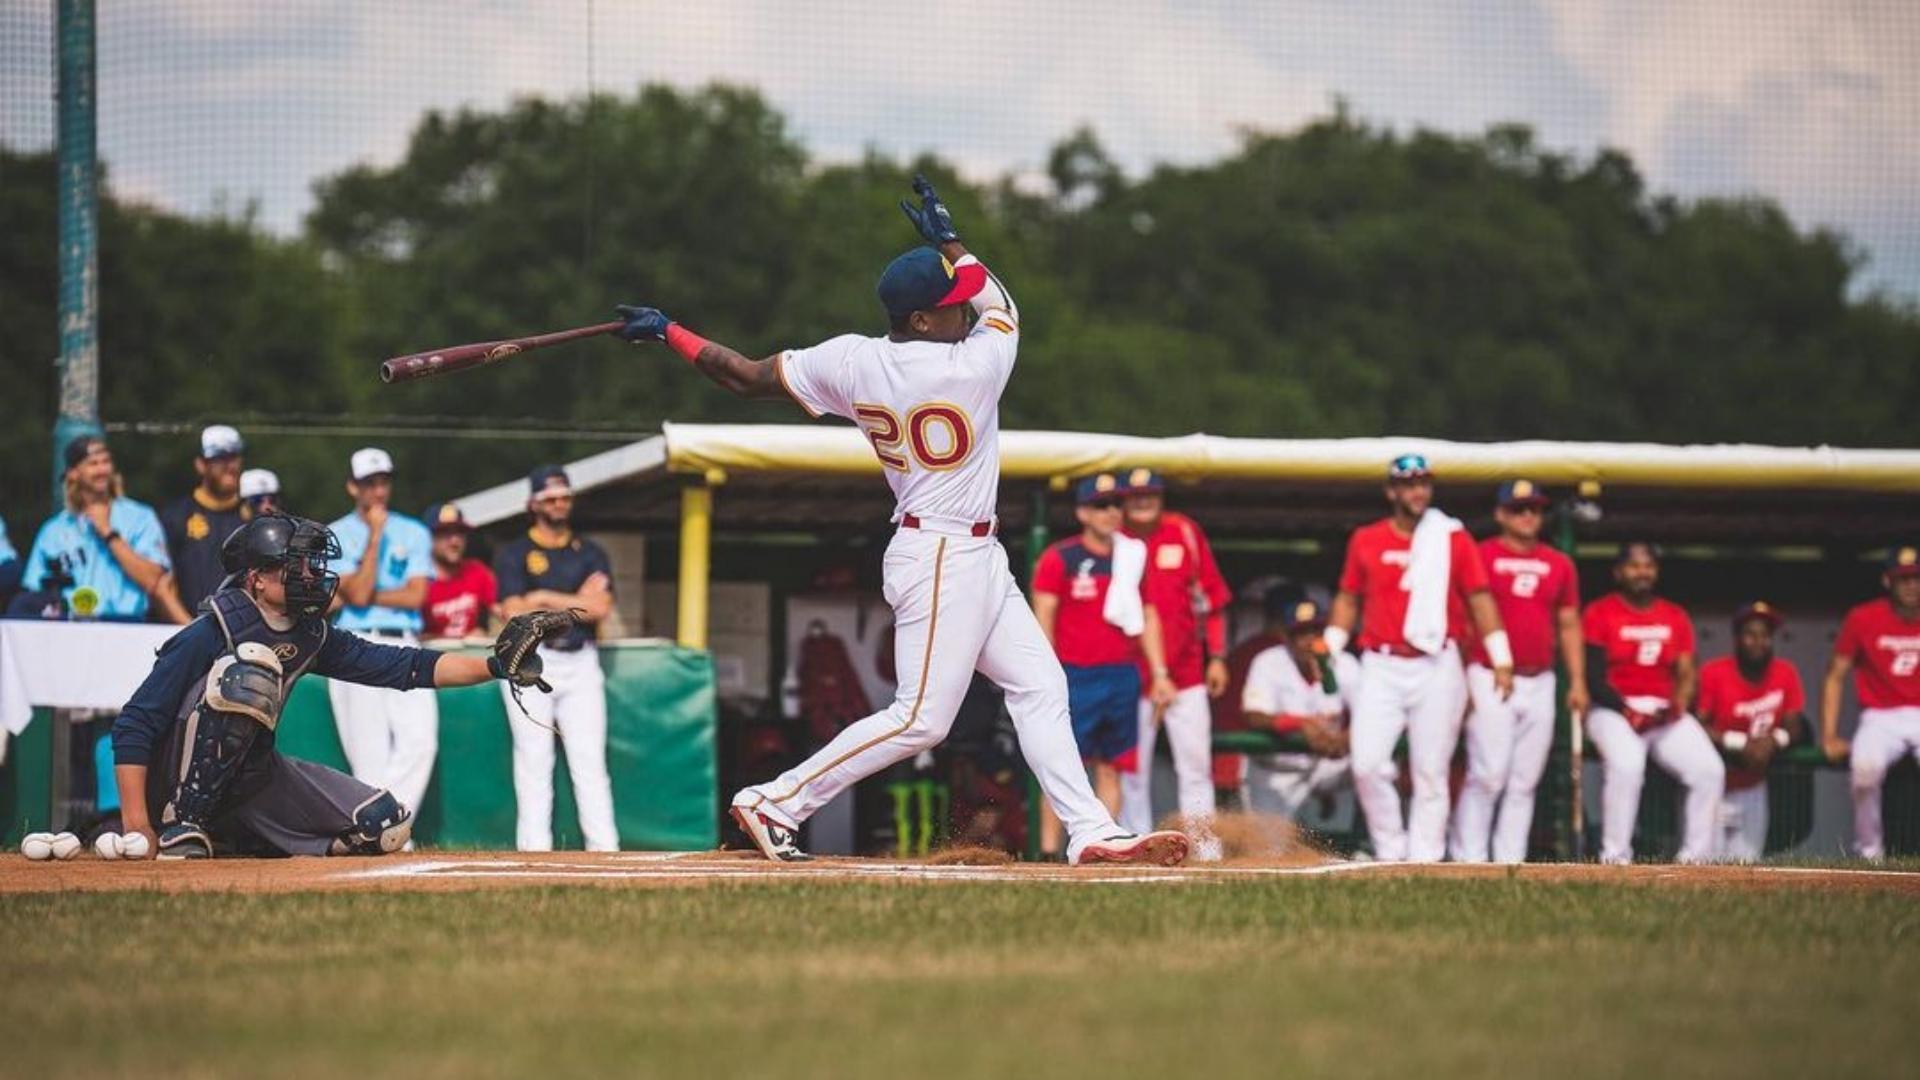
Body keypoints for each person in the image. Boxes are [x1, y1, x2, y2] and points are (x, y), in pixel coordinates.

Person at [613, 174, 1187, 866]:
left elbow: (741, 374)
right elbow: (998, 299)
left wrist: (669, 330)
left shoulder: (850, 358)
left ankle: (1091, 829)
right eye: (948, 307)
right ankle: (776, 800)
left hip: (965, 553)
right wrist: (951, 239)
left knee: (1038, 685)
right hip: (942, 553)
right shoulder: (976, 365)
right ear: (920, 319)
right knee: (921, 718)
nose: (963, 313)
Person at [106, 513, 558, 858]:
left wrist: (495, 666)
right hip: (171, 782)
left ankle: (230, 838)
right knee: (246, 674)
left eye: (308, 566)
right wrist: (136, 824)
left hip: (252, 777)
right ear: (257, 578)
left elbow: (404, 666)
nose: (309, 576)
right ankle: (181, 824)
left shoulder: (309, 634)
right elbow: (135, 724)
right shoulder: (212, 630)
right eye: (293, 568)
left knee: (384, 825)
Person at [1325, 453, 1511, 863]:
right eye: (1408, 484)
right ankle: (1391, 852)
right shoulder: (1366, 539)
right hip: (1381, 662)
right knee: (1367, 764)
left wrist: (1501, 656)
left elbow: (1479, 598)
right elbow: (1348, 597)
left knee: (1431, 771)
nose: (1418, 491)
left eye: (1424, 483)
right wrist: (1331, 646)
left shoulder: (1451, 538)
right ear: (1392, 491)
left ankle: (1425, 859)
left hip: (1436, 663)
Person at [1029, 472, 1176, 858]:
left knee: (1114, 767)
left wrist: (1159, 672)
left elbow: (1147, 615)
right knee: (1064, 768)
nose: (1111, 513)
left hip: (1121, 673)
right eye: (1100, 506)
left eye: (1115, 505)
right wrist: (1046, 670)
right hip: (1075, 674)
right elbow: (1043, 612)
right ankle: (1049, 852)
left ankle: (1105, 845)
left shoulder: (1132, 557)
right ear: (1082, 512)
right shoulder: (1060, 558)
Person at [1449, 479, 1588, 864]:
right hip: (1489, 675)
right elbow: (1464, 620)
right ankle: (1468, 860)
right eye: (1518, 508)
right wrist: (1461, 683)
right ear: (1500, 514)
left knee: (1524, 781)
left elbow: (1569, 622)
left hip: (1540, 679)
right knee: (1488, 773)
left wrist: (1576, 681)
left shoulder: (1559, 563)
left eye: (1535, 509)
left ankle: (1509, 862)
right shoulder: (1482, 555)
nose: (1528, 516)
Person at [492, 466, 619, 852]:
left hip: (581, 660)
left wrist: (543, 598)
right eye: (550, 498)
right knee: (533, 759)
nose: (559, 504)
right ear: (533, 504)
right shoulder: (515, 553)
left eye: (564, 496)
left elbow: (599, 608)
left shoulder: (591, 552)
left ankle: (605, 851)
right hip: (534, 660)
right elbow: (514, 610)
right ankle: (534, 853)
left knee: (590, 763)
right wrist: (573, 601)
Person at [1113, 467, 1234, 858]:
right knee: (1132, 771)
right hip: (1132, 673)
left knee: (1196, 766)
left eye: (1151, 493)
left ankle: (1204, 848)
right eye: (1135, 495)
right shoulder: (1114, 540)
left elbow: (1211, 602)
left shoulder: (1184, 532)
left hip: (1186, 672)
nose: (1143, 501)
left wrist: (1217, 656)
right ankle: (1137, 843)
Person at [1582, 542, 1723, 864]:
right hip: (1612, 708)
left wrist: (1677, 706)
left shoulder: (1674, 615)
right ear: (1618, 572)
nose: (1641, 572)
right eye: (1633, 566)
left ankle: (1695, 861)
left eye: (1648, 566)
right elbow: (1594, 677)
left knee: (1709, 770)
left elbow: (1687, 671)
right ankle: (1616, 859)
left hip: (1662, 710)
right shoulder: (1600, 611)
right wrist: (1626, 711)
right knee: (1627, 766)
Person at [325, 447, 437, 821]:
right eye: (368, 483)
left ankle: (389, 823)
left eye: (383, 482)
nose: (377, 491)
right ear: (352, 487)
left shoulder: (413, 531)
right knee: (367, 750)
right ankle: (379, 829)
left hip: (403, 636)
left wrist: (362, 590)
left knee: (420, 741)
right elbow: (354, 595)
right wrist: (374, 537)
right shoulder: (335, 534)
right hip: (356, 640)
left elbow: (416, 595)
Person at [1821, 545, 1920, 861]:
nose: (1911, 586)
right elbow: (1835, 675)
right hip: (1880, 715)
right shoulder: (1863, 617)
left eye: (1917, 578)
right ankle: (1869, 855)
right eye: (1902, 579)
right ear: (1887, 581)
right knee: (1865, 769)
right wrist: (1828, 735)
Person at [20, 435, 176, 621]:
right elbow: (34, 591)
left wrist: (108, 533)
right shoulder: (53, 531)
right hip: (68, 626)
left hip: (127, 624)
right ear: (73, 473)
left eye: (106, 462)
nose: (102, 470)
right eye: (93, 463)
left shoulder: (140, 517)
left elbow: (153, 580)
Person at [1697, 602, 1804, 862]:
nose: (1759, 642)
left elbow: (1794, 726)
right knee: (1705, 868)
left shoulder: (1785, 672)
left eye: (1765, 636)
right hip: (1715, 786)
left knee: (1747, 870)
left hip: (1754, 786)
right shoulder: (1714, 672)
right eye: (1751, 635)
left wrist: (1772, 741)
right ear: (1737, 638)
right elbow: (1697, 725)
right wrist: (1739, 743)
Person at [1240, 598, 1359, 821]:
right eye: (1302, 633)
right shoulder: (1268, 661)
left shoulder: (1344, 662)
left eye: (1317, 631)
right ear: (1287, 637)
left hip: (1327, 768)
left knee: (1377, 764)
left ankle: (1382, 846)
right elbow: (1253, 716)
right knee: (1268, 853)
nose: (1311, 641)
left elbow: (1372, 715)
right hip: (1276, 771)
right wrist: (1300, 725)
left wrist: (1350, 737)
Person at [158, 424, 251, 617]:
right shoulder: (175, 516)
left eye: (234, 457)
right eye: (220, 458)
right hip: (186, 630)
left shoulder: (253, 518)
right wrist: (191, 632)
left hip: (243, 635)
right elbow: (163, 586)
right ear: (200, 464)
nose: (230, 466)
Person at [422, 501, 496, 641]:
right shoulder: (418, 579)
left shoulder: (477, 571)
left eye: (460, 533)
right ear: (429, 538)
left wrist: (482, 631)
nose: (454, 541)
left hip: (470, 655)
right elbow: (412, 635)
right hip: (428, 658)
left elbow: (501, 611)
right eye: (445, 533)